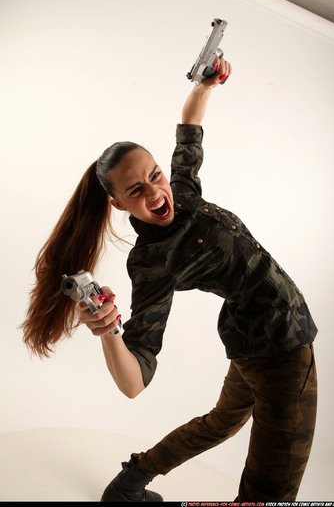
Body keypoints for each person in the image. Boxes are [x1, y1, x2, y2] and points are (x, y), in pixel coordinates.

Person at [22, 57, 317, 502]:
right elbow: (134, 381)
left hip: (252, 335)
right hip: (281, 349)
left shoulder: (181, 190)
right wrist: (108, 331)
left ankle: (129, 482)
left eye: (153, 175)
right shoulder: (152, 261)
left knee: (222, 421)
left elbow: (189, 129)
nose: (155, 192)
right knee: (272, 492)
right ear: (119, 204)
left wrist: (205, 84)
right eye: (135, 190)